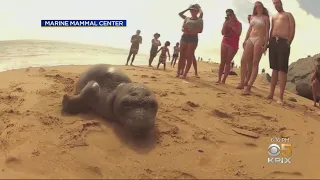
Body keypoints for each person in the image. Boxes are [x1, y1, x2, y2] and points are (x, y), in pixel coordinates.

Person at [236, 1, 270, 95]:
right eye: (256, 6)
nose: (258, 7)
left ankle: (249, 86)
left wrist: (266, 44)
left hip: (260, 39)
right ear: (254, 8)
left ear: (262, 7)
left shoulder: (266, 18)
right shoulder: (252, 17)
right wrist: (245, 39)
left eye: (259, 6)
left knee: (255, 62)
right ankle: (242, 82)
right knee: (243, 60)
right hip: (251, 38)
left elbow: (267, 31)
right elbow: (249, 29)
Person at [267, 0, 295, 104]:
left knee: (282, 70)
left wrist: (289, 42)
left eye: (277, 2)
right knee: (274, 68)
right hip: (273, 41)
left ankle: (281, 97)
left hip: (284, 42)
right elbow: (271, 29)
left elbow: (292, 28)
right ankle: (271, 93)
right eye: (274, 3)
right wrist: (269, 42)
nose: (276, 5)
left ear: (281, 3)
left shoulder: (288, 15)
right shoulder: (273, 16)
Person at [176, 4, 203, 79]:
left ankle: (185, 73)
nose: (192, 11)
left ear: (197, 11)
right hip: (184, 37)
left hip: (193, 38)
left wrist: (191, 31)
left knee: (189, 55)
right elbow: (183, 27)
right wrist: (184, 29)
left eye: (194, 10)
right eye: (191, 10)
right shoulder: (187, 18)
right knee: (181, 55)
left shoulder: (199, 20)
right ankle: (178, 72)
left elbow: (200, 30)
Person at [216, 9, 242, 84]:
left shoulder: (238, 24)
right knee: (222, 62)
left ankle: (224, 80)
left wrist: (233, 28)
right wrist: (225, 23)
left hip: (233, 44)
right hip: (225, 41)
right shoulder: (226, 22)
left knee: (228, 61)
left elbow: (238, 33)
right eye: (227, 15)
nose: (229, 16)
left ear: (233, 15)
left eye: (230, 15)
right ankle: (219, 79)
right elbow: (222, 32)